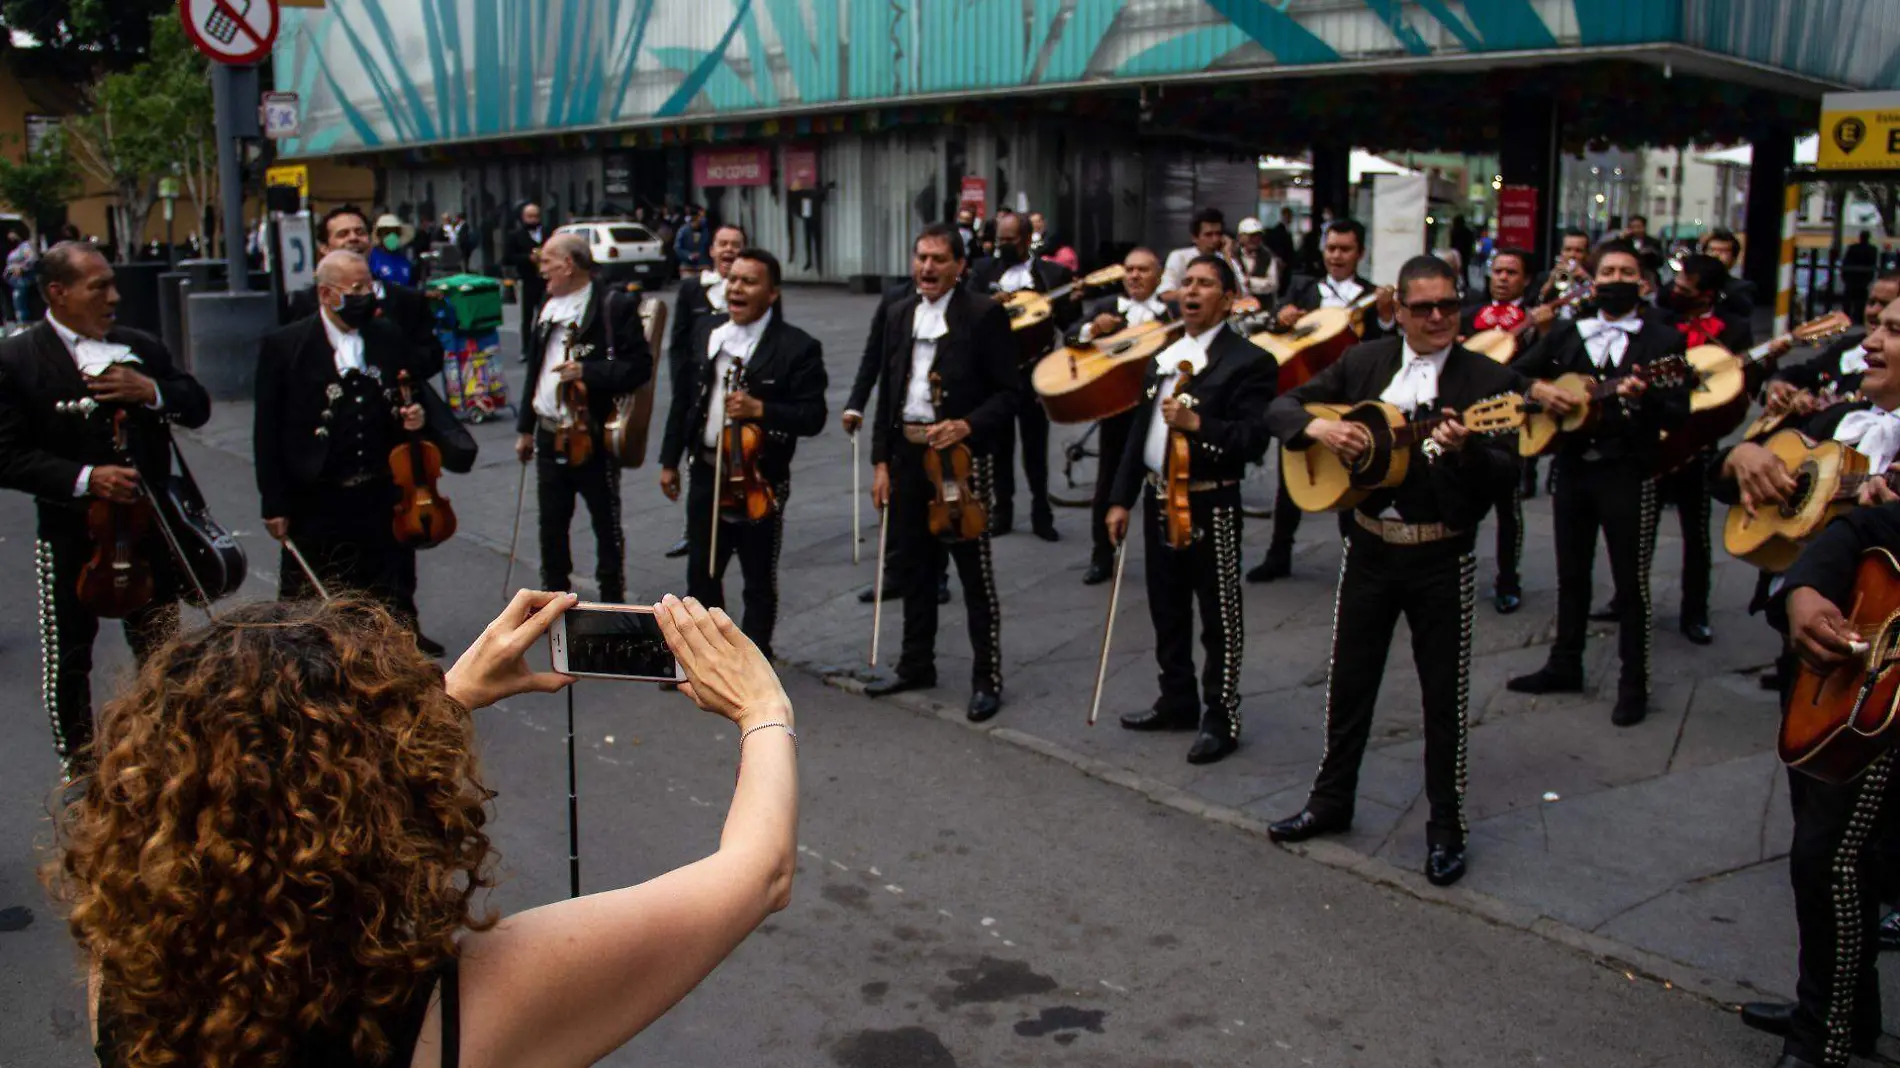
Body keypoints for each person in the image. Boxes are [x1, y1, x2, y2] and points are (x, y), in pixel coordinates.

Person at [54, 590, 798, 1068]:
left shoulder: (125, 969)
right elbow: (757, 871)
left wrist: (449, 697)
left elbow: (286, 789)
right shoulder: (456, 1009)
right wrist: (764, 708)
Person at [1263, 255, 1527, 886]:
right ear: (1399, 310)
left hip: (1442, 553)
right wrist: (1319, 433)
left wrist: (1463, 454)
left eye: (1449, 305)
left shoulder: (1489, 379)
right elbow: (1281, 407)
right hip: (1370, 547)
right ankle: (1331, 802)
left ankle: (1446, 827)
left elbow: (1507, 473)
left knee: (1444, 696)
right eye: (1424, 307)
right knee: (1349, 682)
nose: (1439, 317)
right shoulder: (1364, 363)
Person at [0, 241, 211, 778]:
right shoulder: (20, 359)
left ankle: (167, 751)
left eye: (113, 284)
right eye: (98, 287)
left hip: (150, 530)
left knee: (163, 649)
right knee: (69, 654)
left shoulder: (137, 345)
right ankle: (80, 764)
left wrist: (151, 390)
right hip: (74, 533)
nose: (113, 297)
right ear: (58, 293)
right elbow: (7, 455)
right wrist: (86, 478)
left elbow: (196, 403)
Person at [1729, 496, 1900, 1068]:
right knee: (1829, 853)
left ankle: (1819, 1039)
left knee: (1831, 857)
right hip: (1870, 677)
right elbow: (1867, 524)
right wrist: (1804, 590)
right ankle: (1840, 1013)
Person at [1505, 240, 1691, 727]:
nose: (1614, 279)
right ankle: (1565, 663)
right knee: (1571, 574)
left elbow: (1680, 409)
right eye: (1606, 271)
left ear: (1642, 282)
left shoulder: (1664, 341)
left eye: (1625, 271)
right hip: (1572, 468)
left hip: (1628, 471)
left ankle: (1634, 682)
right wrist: (1538, 388)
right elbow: (1511, 372)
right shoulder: (1569, 334)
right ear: (1593, 281)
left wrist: (1643, 398)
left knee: (1631, 583)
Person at [1103, 255, 1272, 765]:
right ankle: (1175, 699)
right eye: (1187, 283)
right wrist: (1119, 497)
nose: (1192, 292)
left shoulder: (1250, 361)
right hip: (1160, 496)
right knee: (1166, 608)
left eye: (1205, 284)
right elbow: (1140, 432)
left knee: (1219, 615)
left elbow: (1253, 440)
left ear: (1227, 298)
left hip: (1211, 500)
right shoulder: (1163, 354)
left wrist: (1199, 425)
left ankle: (1221, 717)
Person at [864, 223, 1019, 722]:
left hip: (960, 460)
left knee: (973, 572)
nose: (927, 268)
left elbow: (1012, 394)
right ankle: (916, 663)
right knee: (915, 567)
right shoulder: (897, 313)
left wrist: (967, 425)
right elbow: (889, 391)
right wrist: (881, 461)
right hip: (908, 456)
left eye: (938, 259)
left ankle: (986, 677)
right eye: (921, 258)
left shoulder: (984, 314)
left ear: (959, 267)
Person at [286, 205, 447, 654]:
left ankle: (399, 640)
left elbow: (420, 361)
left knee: (391, 569)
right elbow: (280, 411)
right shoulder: (298, 319)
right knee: (322, 585)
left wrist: (406, 404)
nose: (355, 238)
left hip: (382, 472)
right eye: (344, 233)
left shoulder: (395, 310)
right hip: (324, 479)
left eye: (361, 231)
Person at [659, 248, 827, 660]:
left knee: (757, 575)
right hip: (707, 469)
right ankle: (703, 658)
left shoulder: (797, 347)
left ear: (771, 293)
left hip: (760, 477)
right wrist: (668, 459)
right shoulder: (708, 333)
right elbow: (684, 400)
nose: (736, 288)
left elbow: (813, 416)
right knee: (702, 570)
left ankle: (754, 663)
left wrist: (761, 410)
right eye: (732, 280)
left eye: (748, 282)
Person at [255, 250, 428, 618]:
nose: (366, 296)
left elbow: (404, 396)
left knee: (388, 603)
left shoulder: (386, 336)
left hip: (380, 497)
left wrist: (411, 418)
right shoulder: (285, 346)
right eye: (356, 289)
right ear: (326, 295)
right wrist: (274, 504)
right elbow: (267, 431)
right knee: (312, 609)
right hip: (317, 499)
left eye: (369, 286)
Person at [1250, 217, 1396, 583]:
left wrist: (1387, 316)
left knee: (1353, 471)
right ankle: (1278, 553)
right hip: (1305, 387)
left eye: (1345, 249)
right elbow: (1276, 329)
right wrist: (1281, 320)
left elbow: (1384, 344)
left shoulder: (1374, 294)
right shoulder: (1303, 288)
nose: (1337, 255)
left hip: (1351, 394)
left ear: (1360, 253)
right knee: (1292, 472)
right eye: (1331, 248)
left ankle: (1357, 555)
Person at [513, 233, 653, 603]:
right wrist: (525, 428)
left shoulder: (612, 304)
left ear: (568, 264)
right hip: (548, 433)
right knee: (551, 525)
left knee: (605, 523)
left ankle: (612, 599)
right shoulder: (547, 304)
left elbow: (639, 368)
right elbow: (537, 371)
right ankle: (555, 603)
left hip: (591, 434)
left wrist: (587, 372)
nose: (540, 268)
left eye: (546, 261)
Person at [1653, 253, 1759, 646]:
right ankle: (1627, 599)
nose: (1674, 291)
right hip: (1657, 439)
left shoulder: (1733, 329)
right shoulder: (1660, 319)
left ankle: (1695, 613)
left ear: (1708, 295)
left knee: (1696, 534)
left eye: (1684, 289)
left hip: (1699, 443)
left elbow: (1746, 389)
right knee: (1638, 530)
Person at [965, 210, 1077, 540]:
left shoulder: (1053, 274)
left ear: (1028, 240)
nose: (1002, 245)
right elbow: (966, 310)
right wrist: (988, 303)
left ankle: (1042, 513)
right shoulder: (984, 269)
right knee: (1000, 446)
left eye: (1010, 240)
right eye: (999, 239)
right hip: (997, 374)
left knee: (1035, 447)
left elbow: (1071, 324)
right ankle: (1003, 512)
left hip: (1034, 370)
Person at [1067, 246, 1175, 585]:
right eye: (1129, 270)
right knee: (1108, 485)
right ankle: (1102, 556)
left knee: (1166, 483)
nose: (1134, 276)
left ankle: (1169, 553)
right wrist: (1092, 330)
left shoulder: (1172, 312)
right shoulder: (1106, 307)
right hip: (1118, 410)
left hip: (1161, 410)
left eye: (1143, 270)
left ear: (1158, 276)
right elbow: (1071, 335)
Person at [1459, 247, 1552, 613]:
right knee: (1462, 497)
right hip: (1469, 413)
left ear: (1526, 280)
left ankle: (1508, 579)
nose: (1502, 278)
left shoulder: (1536, 320)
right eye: (1497, 271)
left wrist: (1543, 332)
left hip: (1511, 418)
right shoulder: (1468, 315)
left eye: (1511, 273)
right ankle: (1459, 574)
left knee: (1508, 506)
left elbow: (1543, 366)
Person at [666, 223, 749, 558]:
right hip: (699, 386)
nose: (729, 250)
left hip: (736, 387)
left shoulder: (755, 289)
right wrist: (681, 386)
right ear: (712, 250)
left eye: (736, 245)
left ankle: (740, 516)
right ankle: (693, 529)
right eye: (723, 244)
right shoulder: (692, 290)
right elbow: (678, 343)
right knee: (696, 458)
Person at [1159, 208, 1240, 302]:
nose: (1215, 240)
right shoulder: (1179, 257)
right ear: (1195, 238)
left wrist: (1228, 257)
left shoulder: (1227, 259)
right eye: (1208, 235)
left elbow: (1240, 297)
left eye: (1218, 234)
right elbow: (1165, 294)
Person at [503, 202, 549, 361]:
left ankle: (546, 347)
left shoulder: (548, 232)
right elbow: (507, 257)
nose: (533, 219)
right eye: (530, 216)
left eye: (536, 216)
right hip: (528, 279)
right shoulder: (515, 235)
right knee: (527, 316)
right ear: (523, 218)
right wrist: (527, 258)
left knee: (546, 315)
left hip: (547, 280)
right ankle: (526, 349)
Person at [1703, 228, 1756, 322]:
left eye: (1723, 251)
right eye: (1712, 250)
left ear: (1734, 259)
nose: (1716, 255)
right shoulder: (1690, 282)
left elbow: (1745, 310)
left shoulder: (1742, 287)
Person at [1233, 216, 1281, 302]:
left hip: (1263, 305)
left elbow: (1273, 284)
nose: (1255, 239)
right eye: (1251, 236)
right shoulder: (1232, 256)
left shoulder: (1268, 256)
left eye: (1258, 236)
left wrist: (1251, 282)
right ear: (1240, 237)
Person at [369, 214, 416, 288]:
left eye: (395, 232)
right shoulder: (371, 259)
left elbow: (412, 287)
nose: (392, 236)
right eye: (387, 232)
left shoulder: (403, 260)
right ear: (379, 235)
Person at [1842, 230, 1881, 319]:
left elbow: (1846, 262)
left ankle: (1848, 316)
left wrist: (1845, 275)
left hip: (1853, 277)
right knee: (1859, 299)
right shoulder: (1872, 249)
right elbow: (1872, 264)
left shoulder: (1853, 248)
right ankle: (1857, 317)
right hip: (1861, 278)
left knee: (1851, 299)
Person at [1264, 207, 1297, 292]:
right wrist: (1278, 259)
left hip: (1286, 264)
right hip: (1280, 263)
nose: (1290, 218)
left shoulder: (1287, 231)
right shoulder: (1278, 231)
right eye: (1289, 216)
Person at [5, 230, 36, 324]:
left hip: (22, 279)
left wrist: (21, 268)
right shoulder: (15, 248)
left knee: (18, 298)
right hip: (12, 280)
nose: (10, 236)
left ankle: (23, 323)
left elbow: (32, 259)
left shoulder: (26, 246)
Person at [675, 207, 711, 274]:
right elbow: (677, 247)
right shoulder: (683, 230)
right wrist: (689, 255)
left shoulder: (706, 230)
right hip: (687, 267)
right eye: (701, 217)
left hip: (704, 266)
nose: (703, 219)